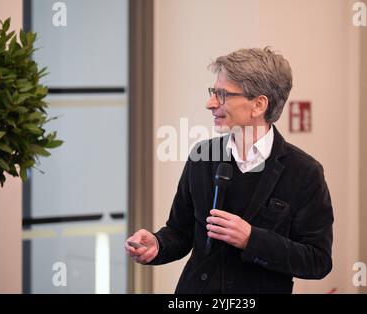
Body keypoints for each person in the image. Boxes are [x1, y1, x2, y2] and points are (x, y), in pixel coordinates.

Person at [125, 47, 334, 294]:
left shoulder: (304, 173)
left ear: (258, 105)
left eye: (222, 95)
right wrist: (158, 244)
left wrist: (252, 239)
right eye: (214, 92)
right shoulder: (201, 157)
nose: (210, 103)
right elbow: (180, 233)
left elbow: (317, 261)